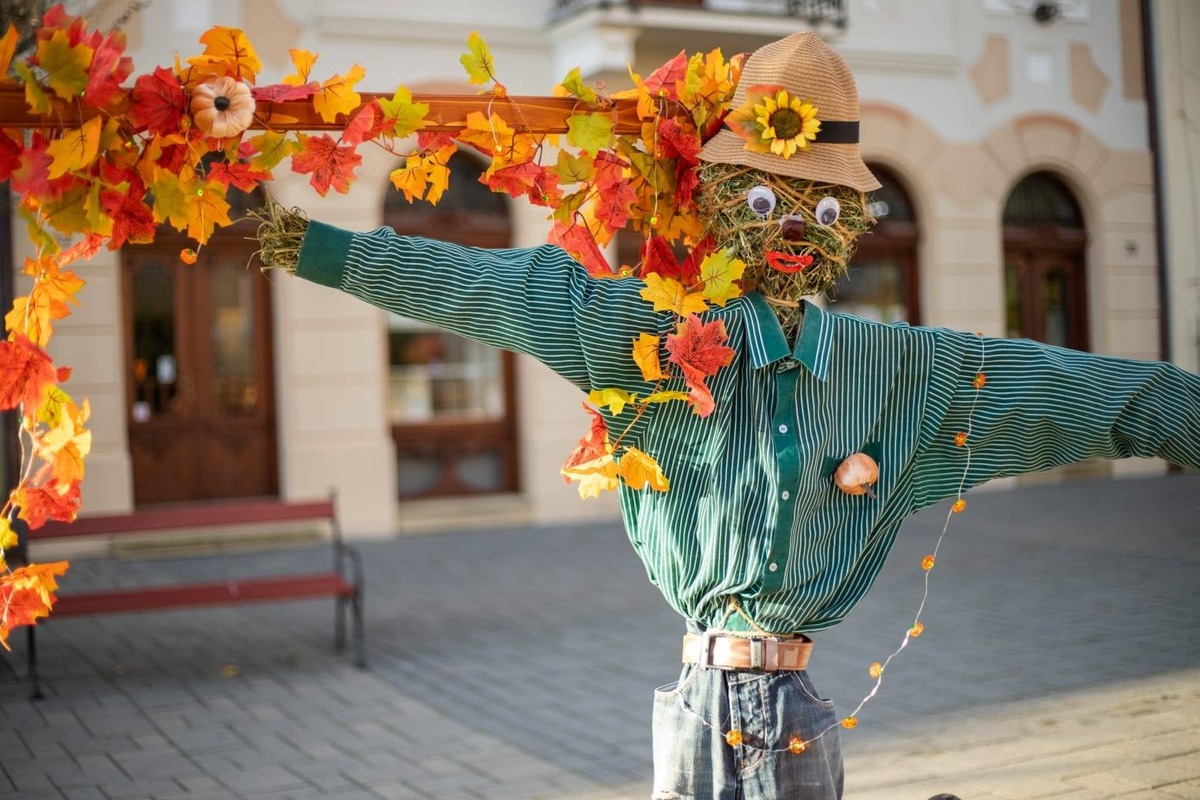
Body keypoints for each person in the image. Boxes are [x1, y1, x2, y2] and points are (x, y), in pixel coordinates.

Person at [258, 32, 1200, 800]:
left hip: (797, 714)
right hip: (696, 706)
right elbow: (479, 284)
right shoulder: (646, 333)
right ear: (715, 202)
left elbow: (1095, 397)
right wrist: (311, 245)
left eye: (818, 206)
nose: (792, 228)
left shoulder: (905, 372)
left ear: (849, 218)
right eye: (764, 200)